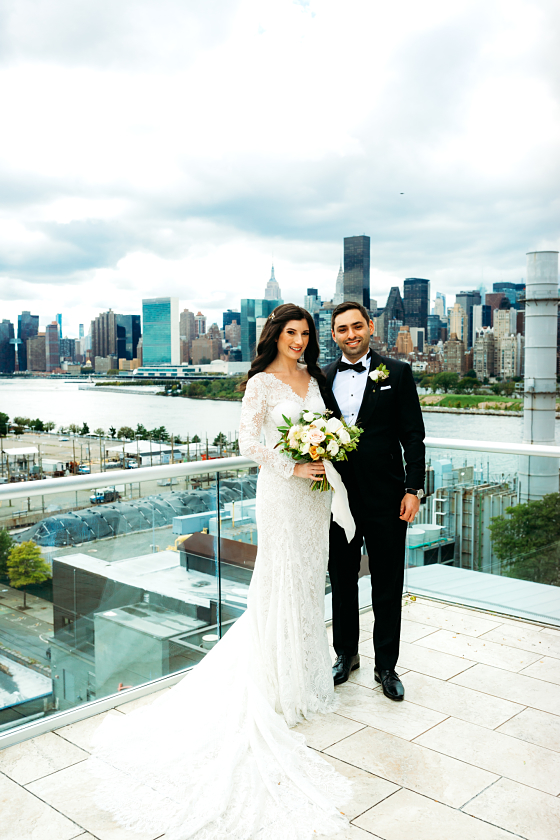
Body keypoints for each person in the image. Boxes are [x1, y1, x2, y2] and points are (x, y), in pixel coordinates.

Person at [89, 303, 351, 840]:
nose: (298, 342)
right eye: (290, 333)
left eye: (305, 334)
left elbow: (329, 427)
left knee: (307, 582)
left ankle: (304, 676)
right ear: (274, 335)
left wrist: (325, 453)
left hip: (314, 499)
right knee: (278, 580)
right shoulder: (259, 383)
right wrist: (293, 462)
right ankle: (276, 683)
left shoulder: (314, 378)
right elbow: (248, 443)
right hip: (282, 493)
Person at [324, 301, 425, 701]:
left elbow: (413, 436)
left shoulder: (397, 373)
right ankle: (346, 654)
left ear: (370, 327)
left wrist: (413, 489)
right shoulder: (322, 378)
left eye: (357, 327)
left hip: (387, 498)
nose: (351, 335)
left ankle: (387, 666)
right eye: (342, 329)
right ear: (333, 335)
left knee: (387, 583)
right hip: (337, 500)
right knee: (343, 581)